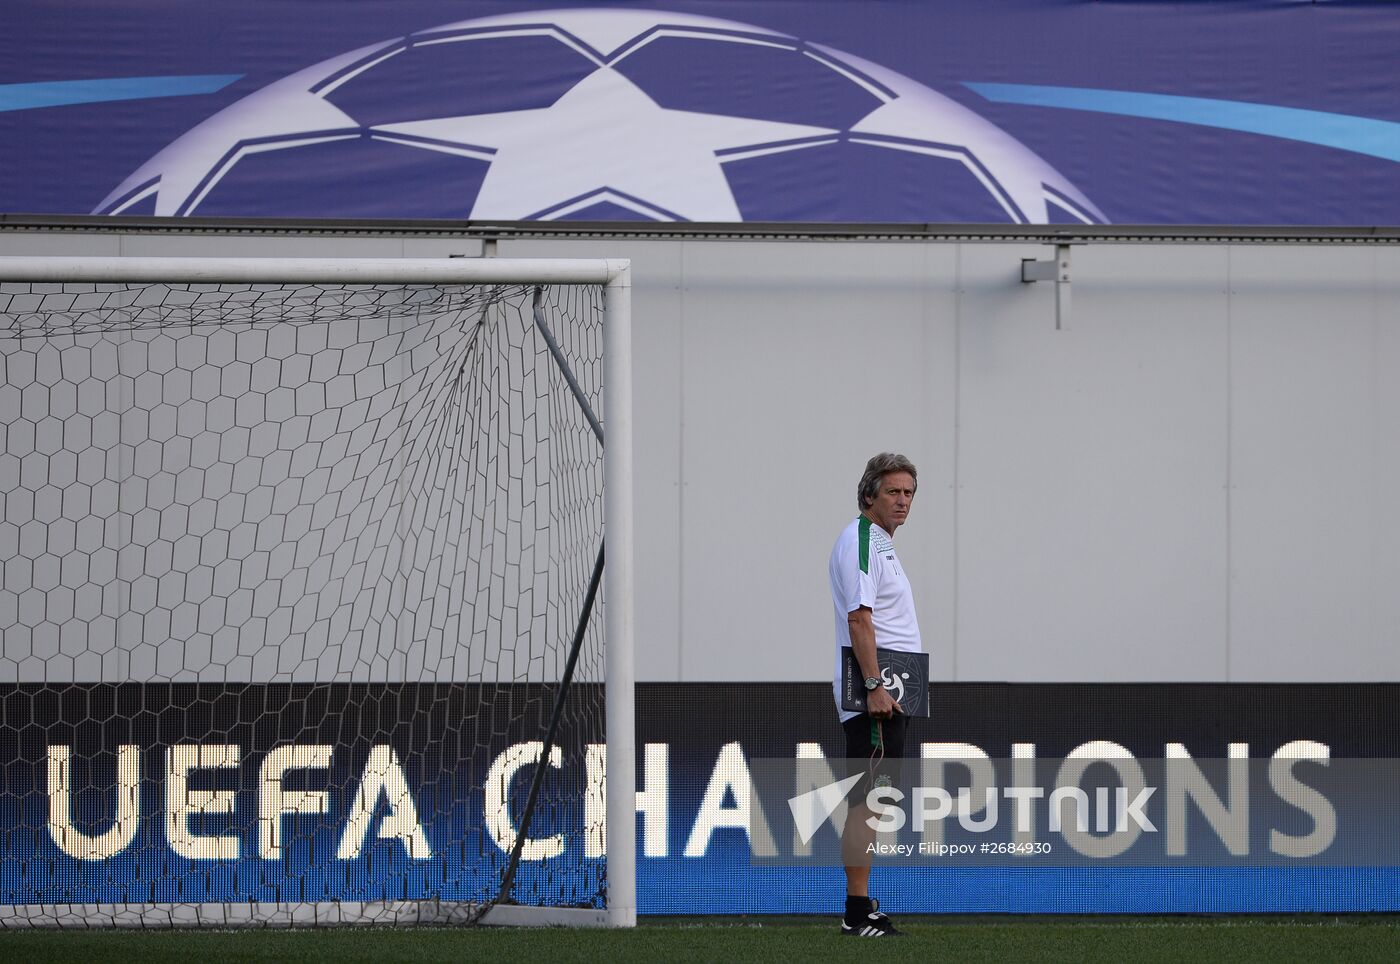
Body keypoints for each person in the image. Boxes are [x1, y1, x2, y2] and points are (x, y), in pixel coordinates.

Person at [828, 452, 921, 938]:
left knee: (877, 799)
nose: (902, 500)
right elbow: (859, 618)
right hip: (877, 690)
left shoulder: (882, 544)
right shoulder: (861, 539)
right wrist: (873, 686)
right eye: (893, 492)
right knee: (866, 801)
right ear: (869, 495)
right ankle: (856, 911)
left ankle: (861, 904)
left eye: (908, 493)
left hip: (895, 685)